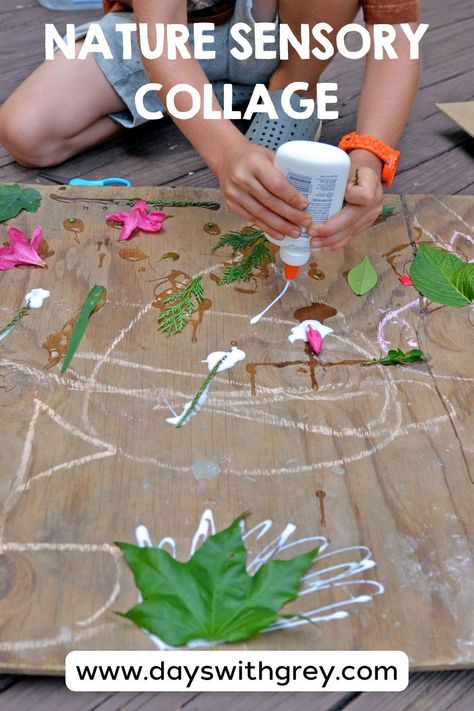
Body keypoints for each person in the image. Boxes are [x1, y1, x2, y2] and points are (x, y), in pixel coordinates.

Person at [0, 0, 420, 251]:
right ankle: (196, 97)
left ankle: (292, 88)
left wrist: (370, 151)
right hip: (168, 35)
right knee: (29, 133)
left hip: (275, 36)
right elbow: (159, 35)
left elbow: (395, 36)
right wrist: (226, 151)